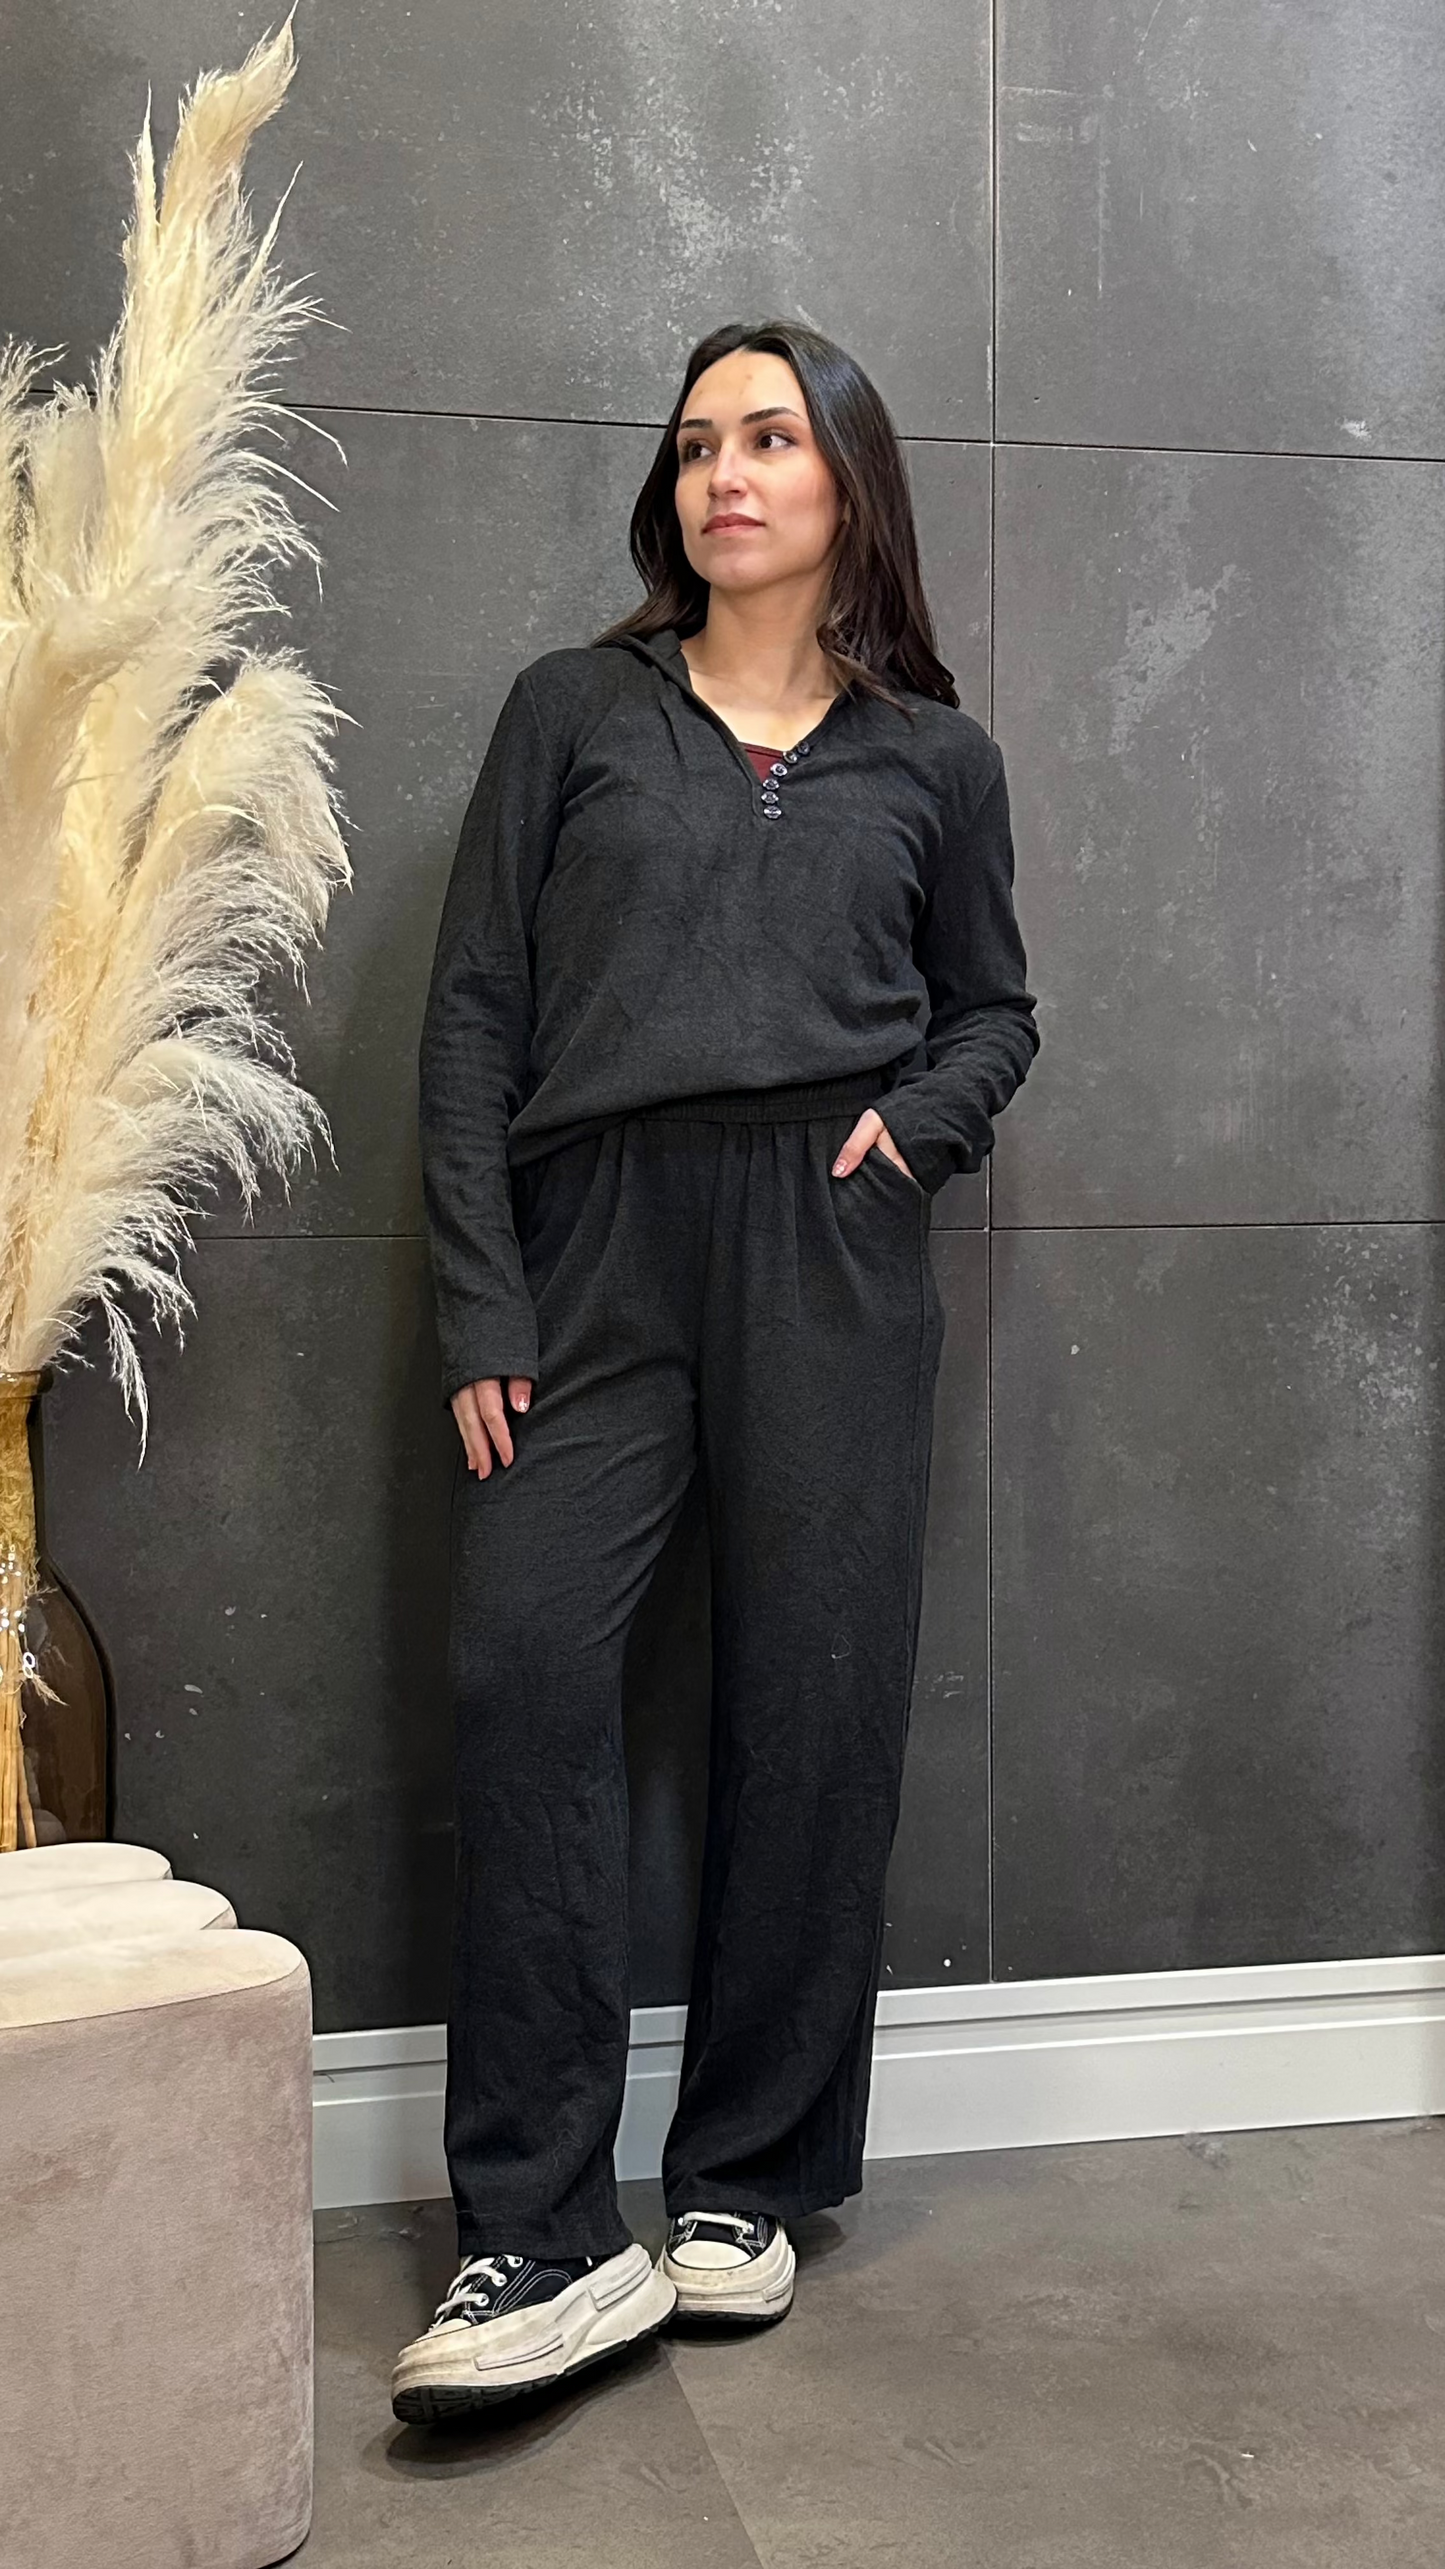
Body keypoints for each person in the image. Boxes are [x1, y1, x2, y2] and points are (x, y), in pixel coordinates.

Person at [391, 319, 1041, 2423]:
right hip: (590, 1249)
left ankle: (746, 2179)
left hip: (826, 1244)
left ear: (847, 480)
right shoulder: (572, 711)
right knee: (522, 1674)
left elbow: (994, 1010)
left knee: (815, 1705)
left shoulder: (934, 760)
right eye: (694, 446)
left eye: (768, 438)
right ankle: (535, 2229)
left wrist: (911, 1133)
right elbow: (475, 1014)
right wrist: (484, 1305)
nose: (724, 475)